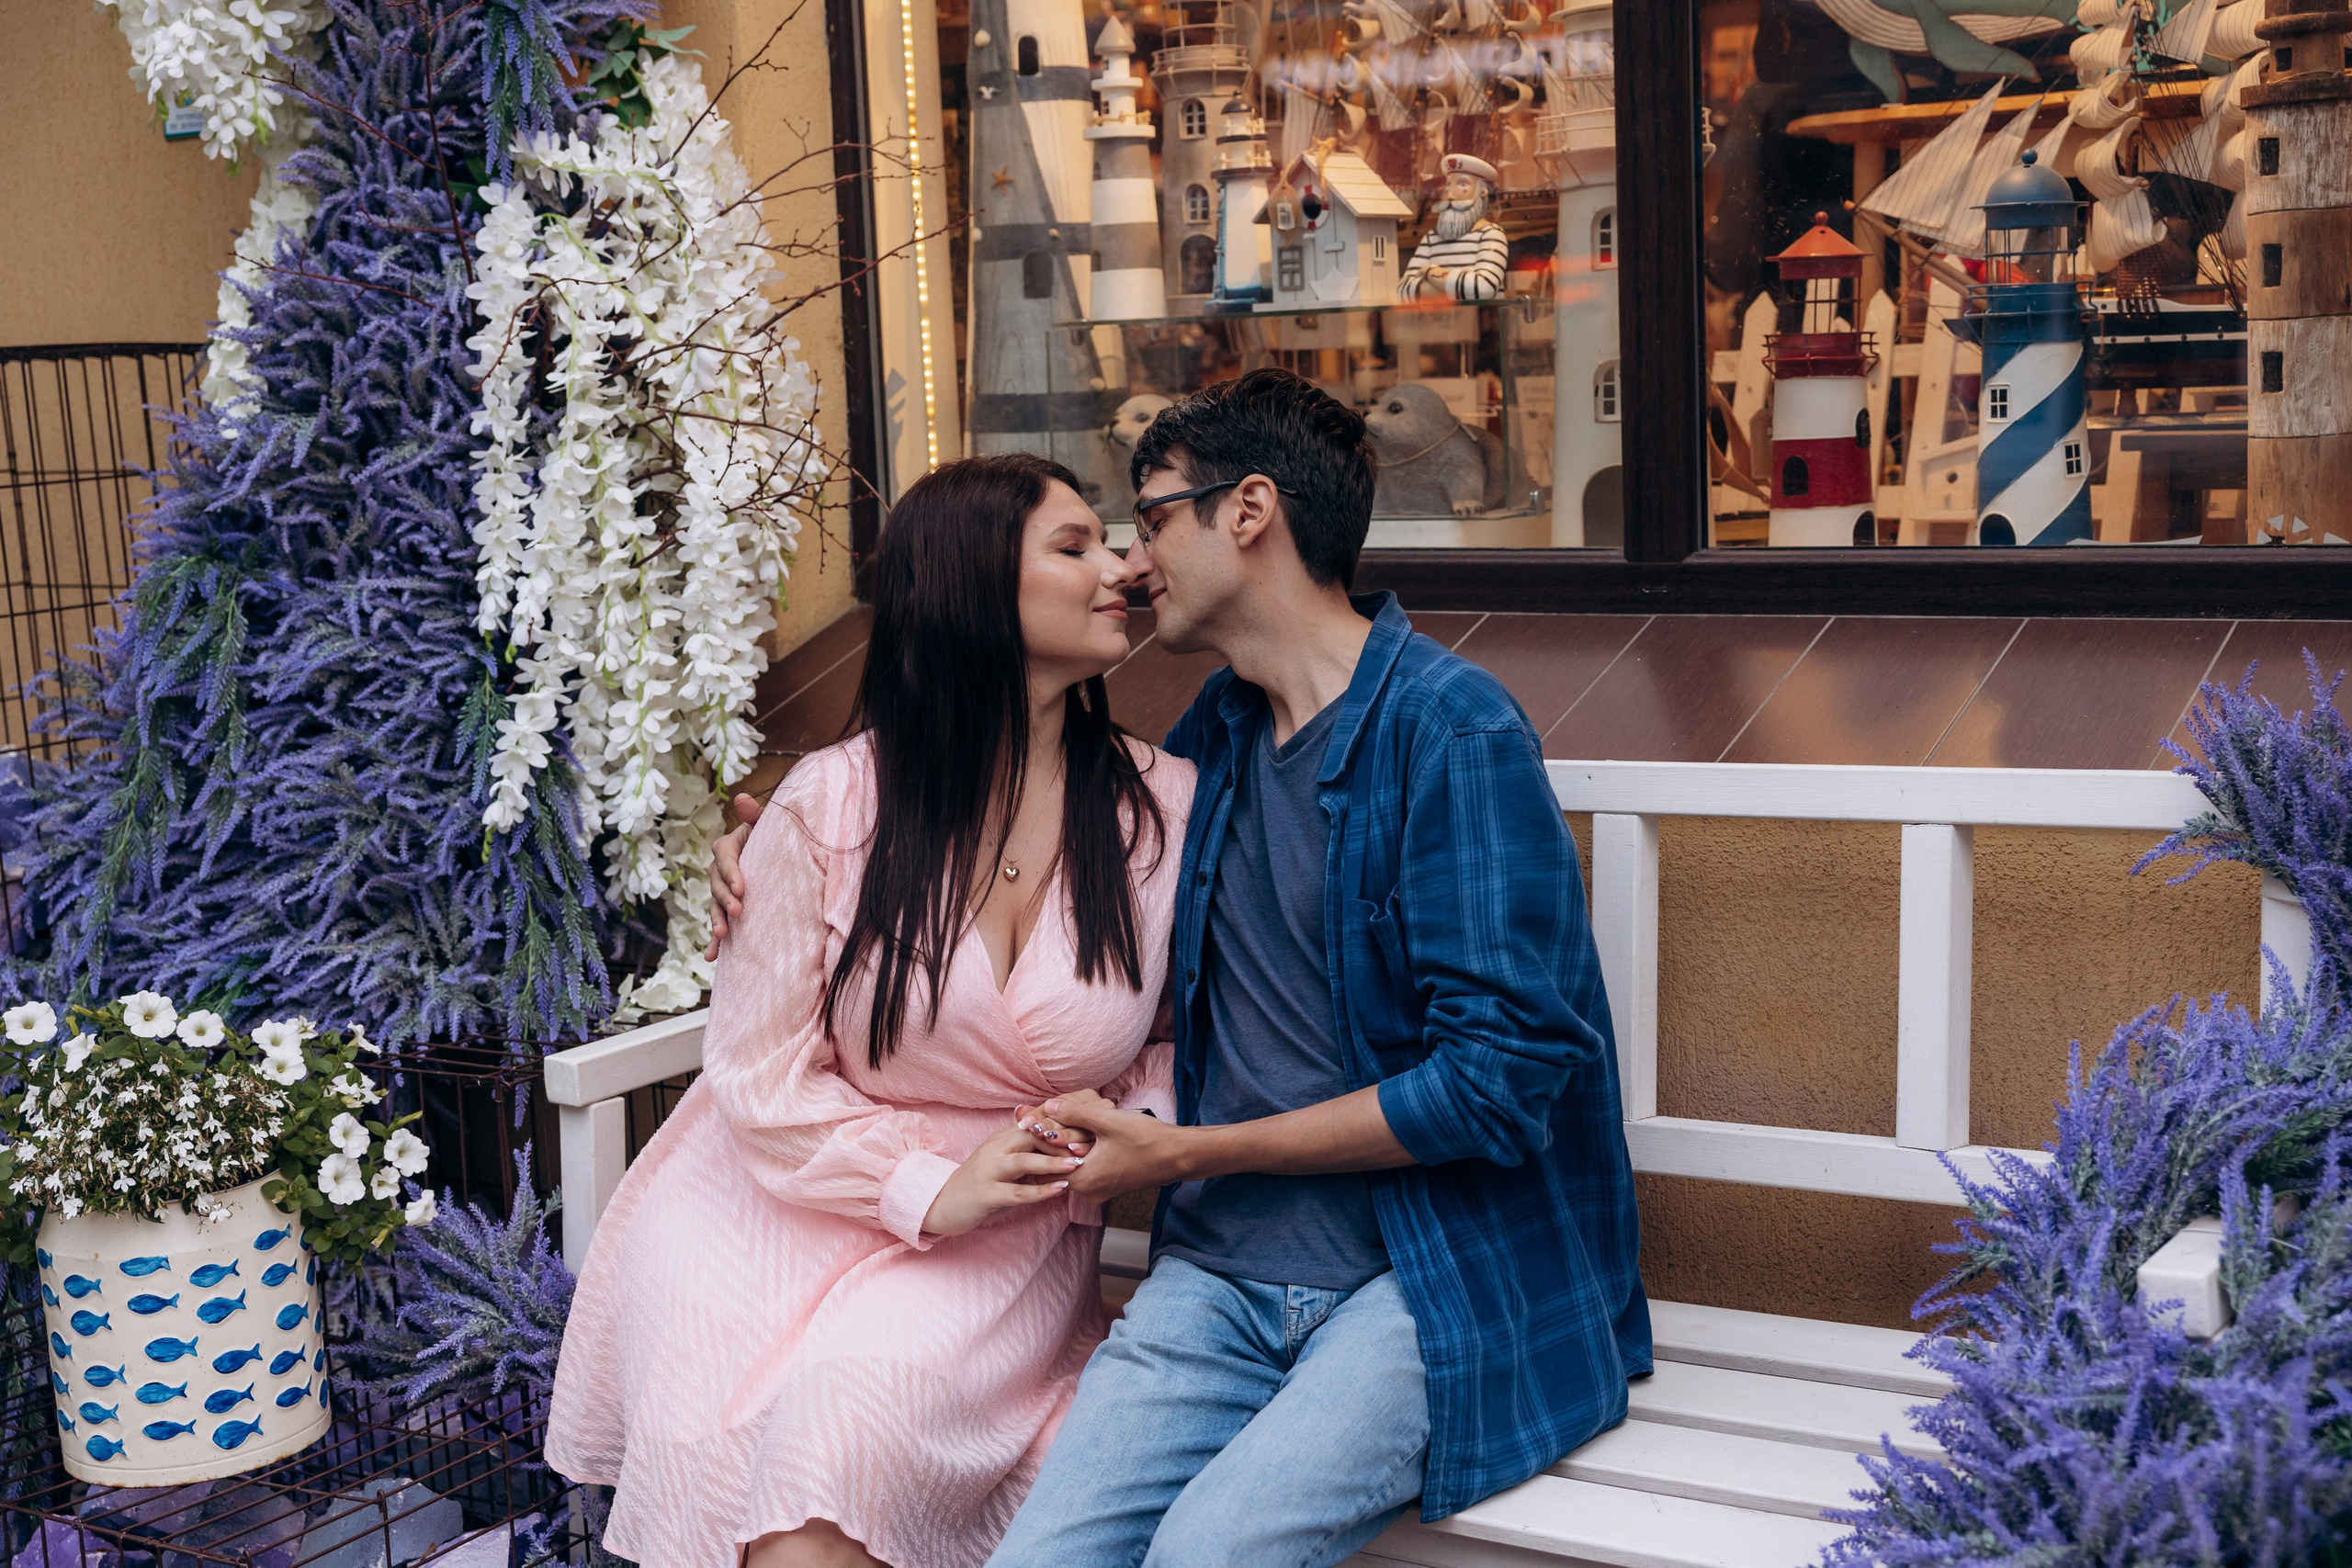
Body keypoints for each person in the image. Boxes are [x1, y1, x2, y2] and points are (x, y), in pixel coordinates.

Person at [710, 368, 1648, 1567]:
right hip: (1217, 1271)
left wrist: (1197, 1150)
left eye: (1150, 518)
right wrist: (762, 850)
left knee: (1204, 1551)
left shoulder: (1449, 731)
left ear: (1247, 511)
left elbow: (1502, 1079)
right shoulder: (1215, 739)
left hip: (1432, 1273)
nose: (1135, 562)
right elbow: (1035, 890)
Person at [548, 454, 1197, 1568]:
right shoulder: (835, 805)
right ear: (973, 586)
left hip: (1003, 1227)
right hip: (776, 1204)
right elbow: (755, 1074)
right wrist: (918, 1186)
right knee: (773, 1476)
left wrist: (1114, 1130)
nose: (1121, 570)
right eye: (1076, 546)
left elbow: (1191, 1038)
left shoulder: (1159, 812)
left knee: (830, 1466)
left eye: (1115, 541)